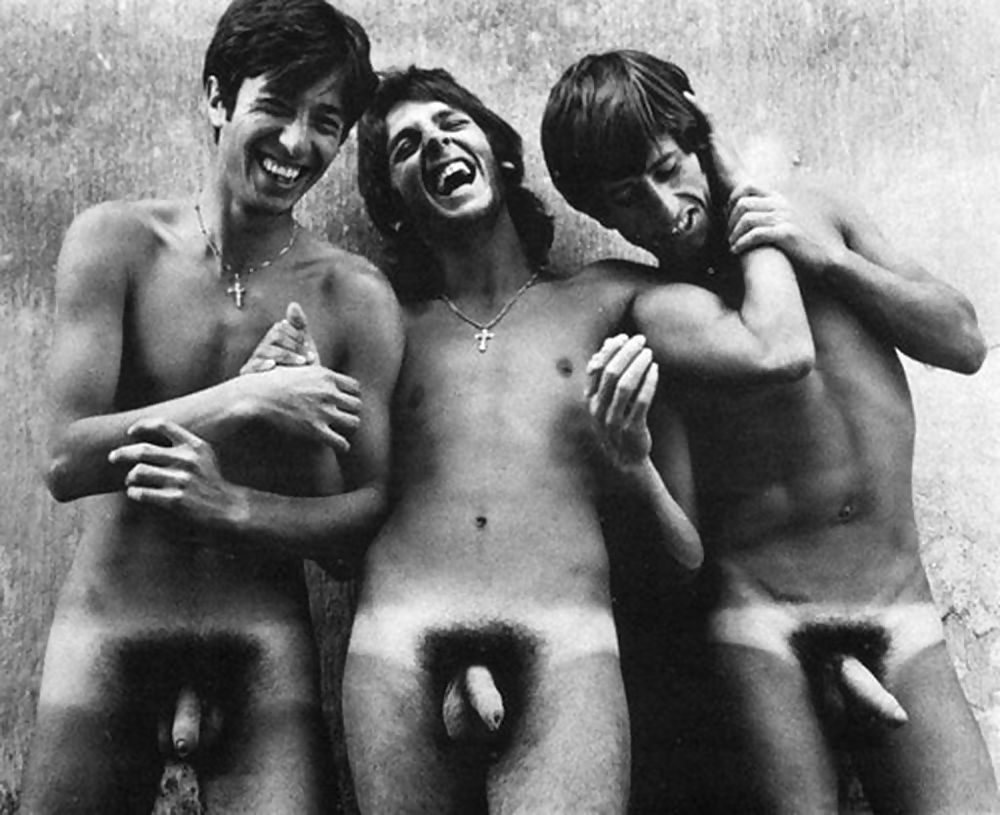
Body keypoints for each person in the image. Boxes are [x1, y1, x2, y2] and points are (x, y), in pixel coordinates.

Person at [543, 49, 998, 814]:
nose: (664, 208)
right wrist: (631, 463)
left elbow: (964, 341)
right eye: (626, 199)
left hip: (898, 604)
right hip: (764, 623)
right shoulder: (662, 311)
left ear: (699, 141)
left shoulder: (815, 212)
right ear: (603, 217)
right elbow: (779, 354)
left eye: (668, 168)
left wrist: (828, 259)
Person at [21, 1, 402, 813]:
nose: (297, 142)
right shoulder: (115, 243)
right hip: (110, 631)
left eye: (325, 121)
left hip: (261, 647)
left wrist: (235, 506)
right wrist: (244, 399)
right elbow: (63, 460)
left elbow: (364, 520)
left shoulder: (355, 296)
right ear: (217, 97)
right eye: (277, 106)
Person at [341, 65, 709, 814]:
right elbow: (339, 536)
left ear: (502, 156)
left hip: (565, 646)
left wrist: (634, 462)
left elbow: (685, 562)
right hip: (397, 647)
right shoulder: (382, 330)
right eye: (405, 146)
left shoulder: (611, 300)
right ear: (394, 208)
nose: (433, 143)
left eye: (451, 123)